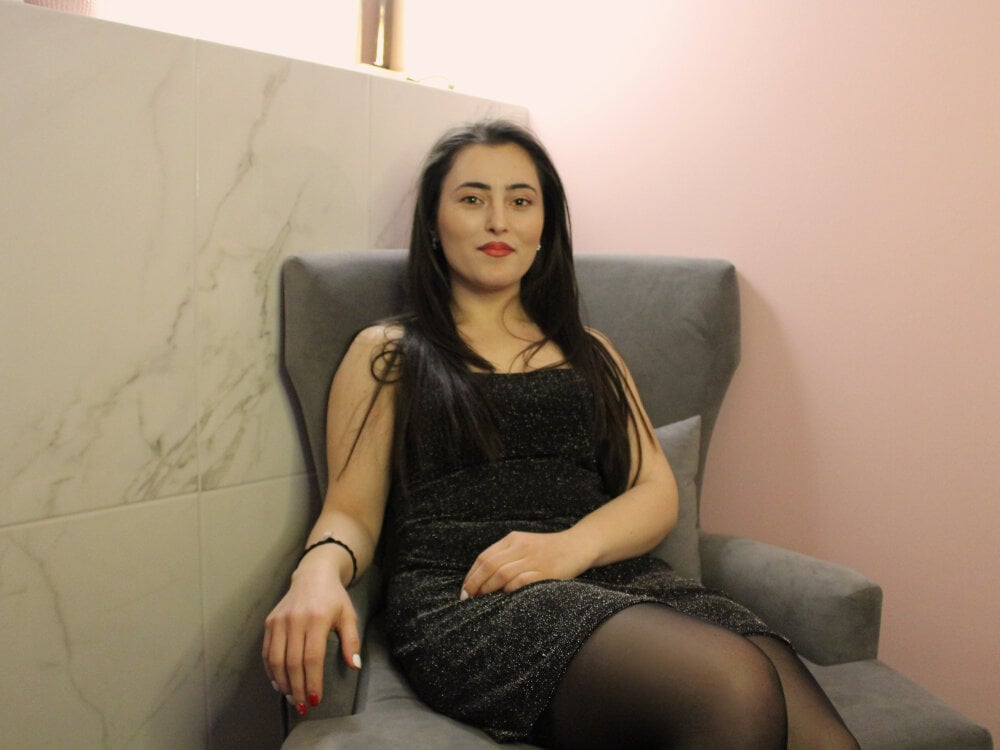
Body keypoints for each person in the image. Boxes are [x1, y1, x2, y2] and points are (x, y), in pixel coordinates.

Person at [263, 119, 859, 749]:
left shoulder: (589, 351)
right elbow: (350, 512)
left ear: (544, 227)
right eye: (473, 199)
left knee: (819, 736)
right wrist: (316, 571)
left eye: (521, 201)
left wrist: (569, 548)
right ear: (434, 224)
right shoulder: (389, 353)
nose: (498, 221)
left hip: (614, 576)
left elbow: (655, 491)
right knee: (732, 682)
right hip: (474, 595)